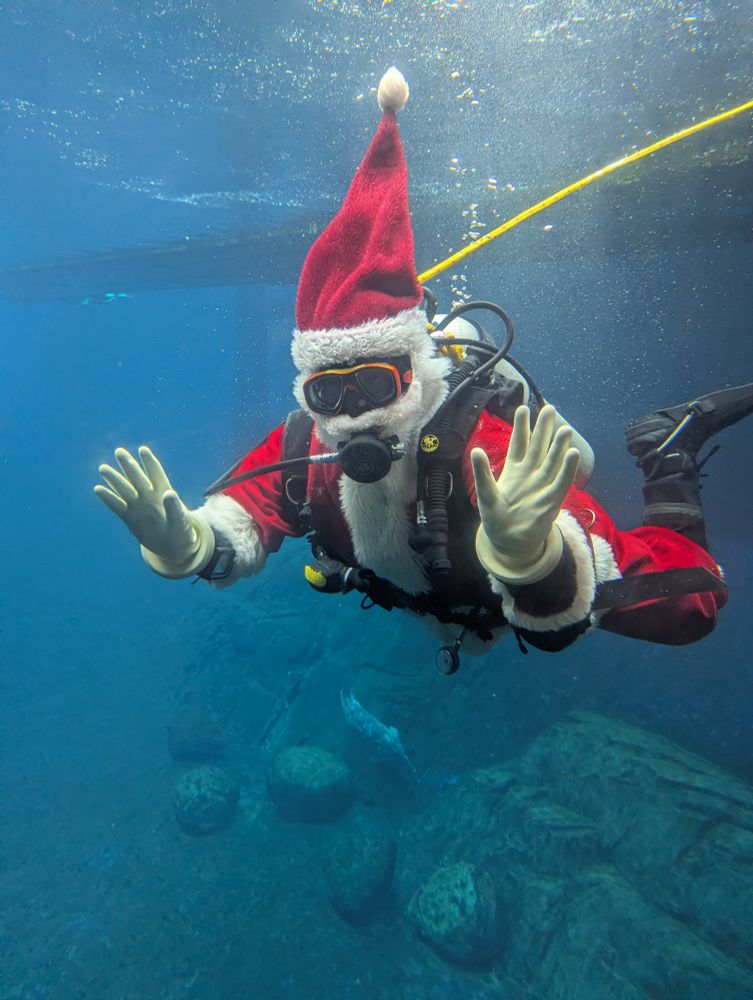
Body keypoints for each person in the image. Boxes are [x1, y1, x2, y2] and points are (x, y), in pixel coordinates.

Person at [95, 68, 752, 667]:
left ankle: (666, 453)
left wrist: (538, 559)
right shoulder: (306, 443)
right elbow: (249, 503)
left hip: (499, 574)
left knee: (689, 612)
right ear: (307, 393)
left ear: (412, 373)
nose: (353, 412)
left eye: (376, 384)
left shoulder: (479, 444)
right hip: (449, 602)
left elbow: (651, 601)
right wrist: (192, 543)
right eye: (328, 393)